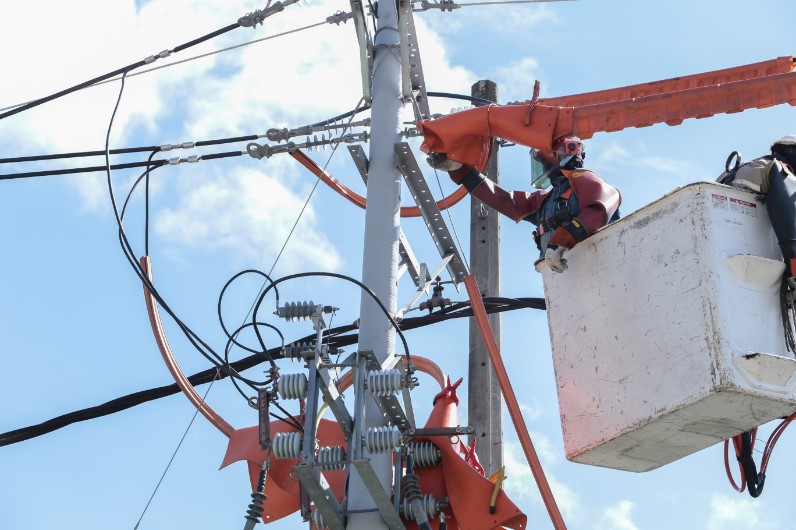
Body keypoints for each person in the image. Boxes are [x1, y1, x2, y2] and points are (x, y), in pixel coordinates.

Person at [427, 137, 621, 273]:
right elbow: (505, 201)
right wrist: (462, 171)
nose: (543, 164)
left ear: (564, 152)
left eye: (544, 158)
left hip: (598, 266)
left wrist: (560, 241)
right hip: (562, 274)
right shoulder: (547, 201)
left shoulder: (584, 179)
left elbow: (600, 208)